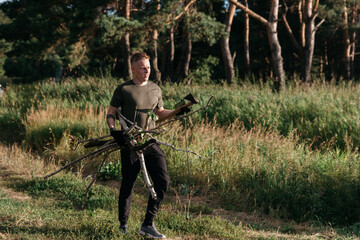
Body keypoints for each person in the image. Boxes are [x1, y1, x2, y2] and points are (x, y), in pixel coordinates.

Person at [106, 52, 175, 239]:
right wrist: (114, 131)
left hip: (150, 141)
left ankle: (147, 224)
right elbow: (111, 112)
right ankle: (123, 225)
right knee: (128, 184)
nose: (147, 71)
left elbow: (160, 113)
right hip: (129, 143)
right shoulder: (123, 89)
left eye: (149, 67)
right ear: (133, 68)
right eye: (143, 67)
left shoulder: (155, 89)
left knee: (163, 182)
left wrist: (178, 110)